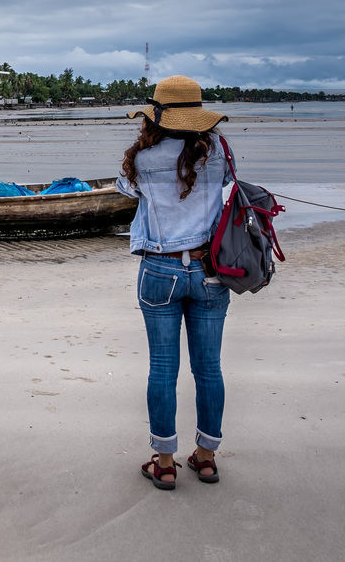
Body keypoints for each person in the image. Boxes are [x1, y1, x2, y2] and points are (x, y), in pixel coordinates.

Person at [117, 75, 229, 491]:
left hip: (160, 269)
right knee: (209, 368)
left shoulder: (142, 157)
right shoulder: (218, 151)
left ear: (157, 114)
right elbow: (222, 187)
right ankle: (205, 457)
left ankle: (164, 462)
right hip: (209, 270)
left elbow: (125, 190)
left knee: (163, 369)